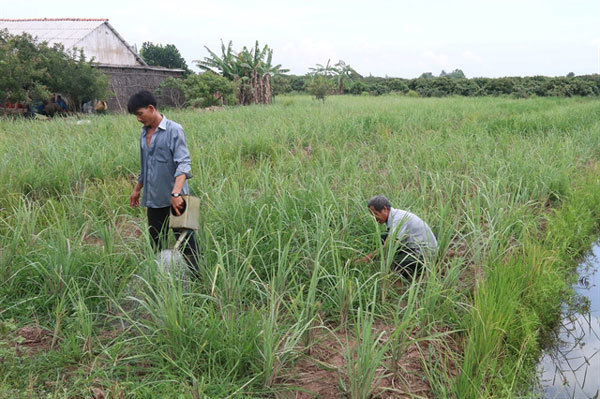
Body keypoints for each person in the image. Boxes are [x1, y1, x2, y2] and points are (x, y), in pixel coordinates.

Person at [127, 90, 200, 277]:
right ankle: (163, 279)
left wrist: (176, 194)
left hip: (176, 199)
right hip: (153, 199)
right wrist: (137, 190)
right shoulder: (144, 134)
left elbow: (183, 164)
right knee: (156, 241)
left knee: (186, 242)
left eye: (140, 114)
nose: (138, 119)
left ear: (151, 108)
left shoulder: (174, 130)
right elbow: (145, 165)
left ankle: (198, 279)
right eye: (136, 115)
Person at [356, 195, 437, 278]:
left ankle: (402, 280)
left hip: (425, 254)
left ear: (385, 209)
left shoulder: (398, 219)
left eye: (375, 214)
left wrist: (364, 260)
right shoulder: (395, 216)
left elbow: (389, 246)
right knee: (383, 238)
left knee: (398, 264)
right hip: (414, 247)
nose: (374, 218)